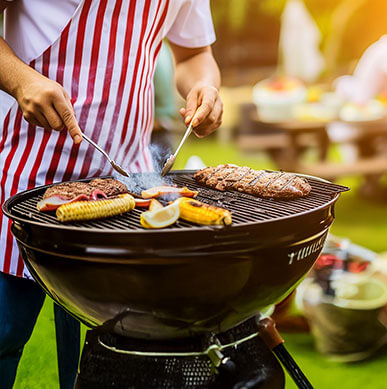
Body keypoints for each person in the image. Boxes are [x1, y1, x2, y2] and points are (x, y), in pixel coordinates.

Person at [0, 0, 223, 387]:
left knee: (117, 353)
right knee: (3, 334)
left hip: (126, 183)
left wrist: (205, 86)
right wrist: (23, 80)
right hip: (22, 168)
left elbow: (194, 53)